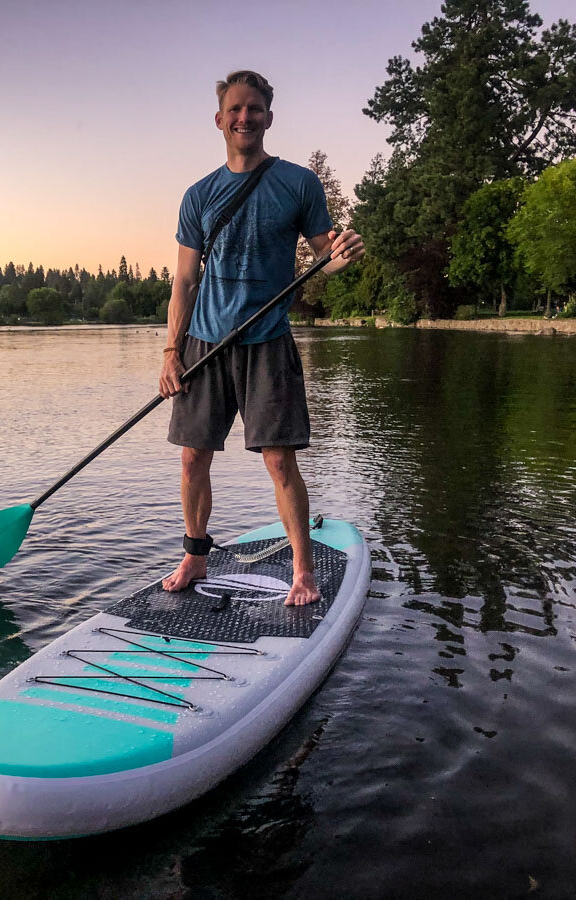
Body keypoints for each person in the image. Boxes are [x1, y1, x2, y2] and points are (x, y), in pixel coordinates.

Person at [158, 70, 365, 606]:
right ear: (220, 119)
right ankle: (195, 554)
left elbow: (326, 257)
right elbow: (183, 281)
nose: (244, 117)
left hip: (267, 341)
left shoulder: (298, 183)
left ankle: (303, 570)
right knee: (191, 459)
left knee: (279, 461)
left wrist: (340, 256)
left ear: (269, 117)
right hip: (204, 343)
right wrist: (170, 353)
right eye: (235, 109)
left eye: (254, 109)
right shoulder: (198, 195)